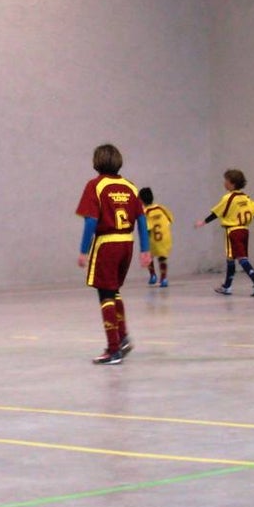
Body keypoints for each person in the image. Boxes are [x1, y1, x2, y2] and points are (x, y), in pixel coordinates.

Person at [76, 144, 151, 365]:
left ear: (96, 162)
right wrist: (145, 249)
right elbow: (142, 219)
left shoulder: (95, 186)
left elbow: (90, 220)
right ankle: (123, 337)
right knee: (114, 291)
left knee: (105, 295)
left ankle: (113, 349)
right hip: (126, 243)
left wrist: (83, 250)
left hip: (107, 244)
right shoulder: (130, 186)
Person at [195, 169, 254, 296]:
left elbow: (216, 213)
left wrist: (203, 222)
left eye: (226, 181)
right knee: (231, 259)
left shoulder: (228, 198)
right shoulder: (246, 198)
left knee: (240, 258)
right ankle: (227, 286)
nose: (224, 183)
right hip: (244, 230)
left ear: (232, 184)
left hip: (232, 231)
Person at [138, 186, 173, 288]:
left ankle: (153, 275)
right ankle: (164, 278)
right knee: (162, 258)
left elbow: (146, 227)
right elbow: (170, 219)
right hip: (164, 238)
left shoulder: (145, 212)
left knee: (149, 256)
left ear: (140, 200)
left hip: (152, 239)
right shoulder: (161, 208)